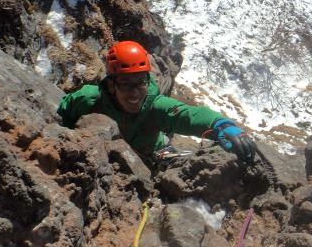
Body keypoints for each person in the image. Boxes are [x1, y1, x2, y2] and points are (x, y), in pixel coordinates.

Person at [57, 40, 256, 165]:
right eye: (126, 84)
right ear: (111, 85)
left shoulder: (154, 106)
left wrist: (221, 125)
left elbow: (186, 115)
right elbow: (61, 113)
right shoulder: (90, 100)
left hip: (154, 155)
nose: (135, 92)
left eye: (140, 82)